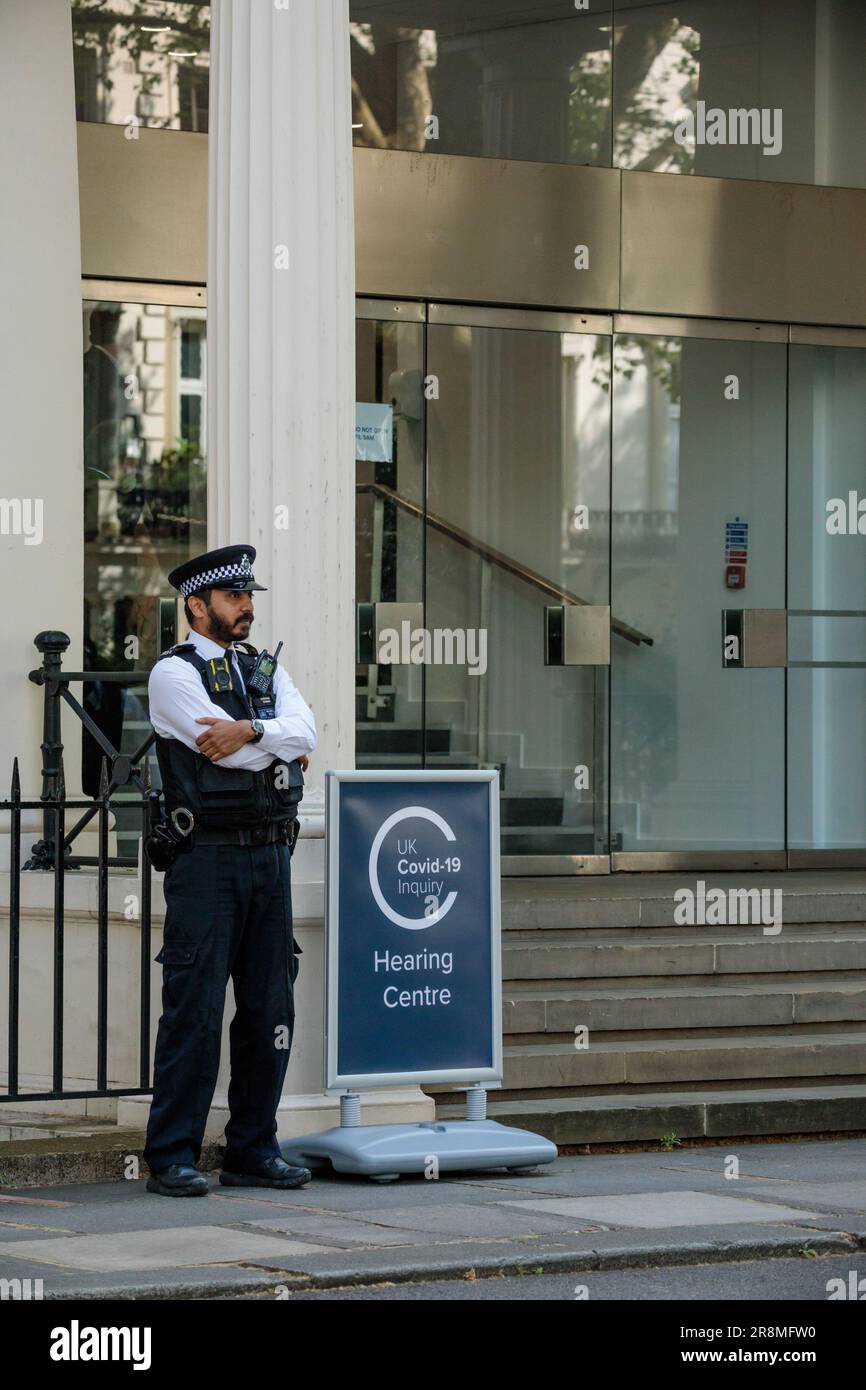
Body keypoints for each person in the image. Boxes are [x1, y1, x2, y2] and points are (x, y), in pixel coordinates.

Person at [142, 544, 317, 1196]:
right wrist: (271, 743)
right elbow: (244, 754)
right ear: (197, 605)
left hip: (272, 855)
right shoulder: (174, 674)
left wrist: (249, 732)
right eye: (234, 597)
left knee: (272, 1005)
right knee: (195, 1007)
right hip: (208, 859)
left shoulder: (265, 670)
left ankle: (252, 1147)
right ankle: (171, 1156)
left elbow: (308, 732)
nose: (247, 606)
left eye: (249, 596)